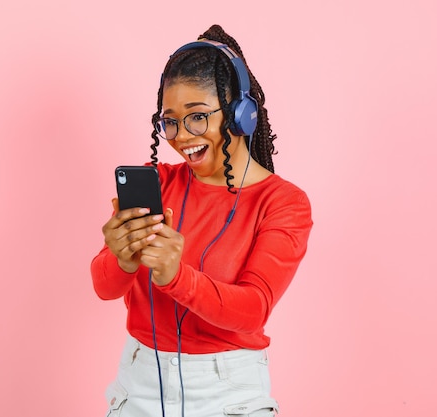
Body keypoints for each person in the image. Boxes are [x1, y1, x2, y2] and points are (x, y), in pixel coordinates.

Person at [91, 24, 313, 417]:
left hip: (228, 393)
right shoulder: (157, 184)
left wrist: (177, 276)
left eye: (196, 117)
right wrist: (121, 257)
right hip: (140, 383)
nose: (180, 136)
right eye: (170, 121)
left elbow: (253, 310)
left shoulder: (283, 203)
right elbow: (105, 287)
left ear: (241, 114)